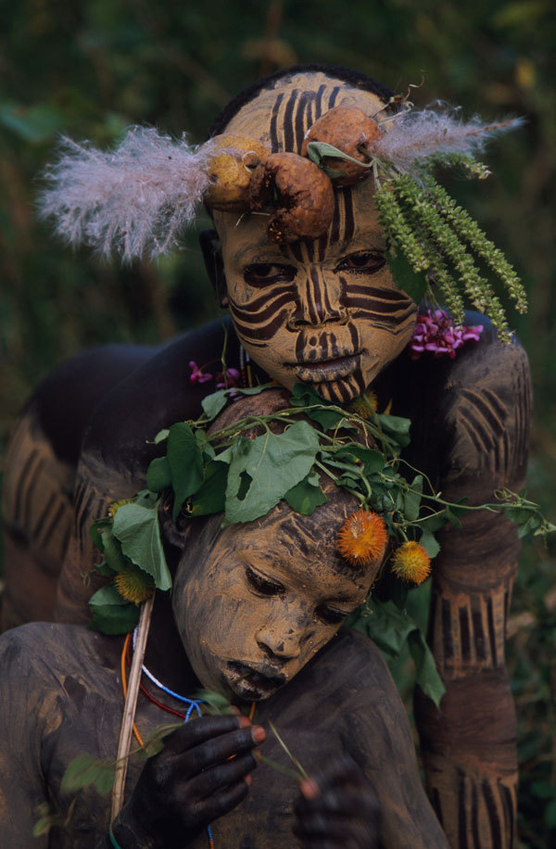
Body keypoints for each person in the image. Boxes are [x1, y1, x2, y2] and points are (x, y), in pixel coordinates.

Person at [1, 64, 530, 847]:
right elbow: (78, 722)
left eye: (361, 262)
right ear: (220, 273)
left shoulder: (471, 384)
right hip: (54, 453)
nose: (324, 321)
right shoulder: (140, 427)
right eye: (271, 273)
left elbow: (471, 677)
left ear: (414, 244)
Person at [0, 390, 448, 848]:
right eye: (264, 583)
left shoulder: (349, 686)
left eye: (331, 613)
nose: (286, 641)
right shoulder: (37, 675)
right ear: (182, 521)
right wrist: (138, 835)